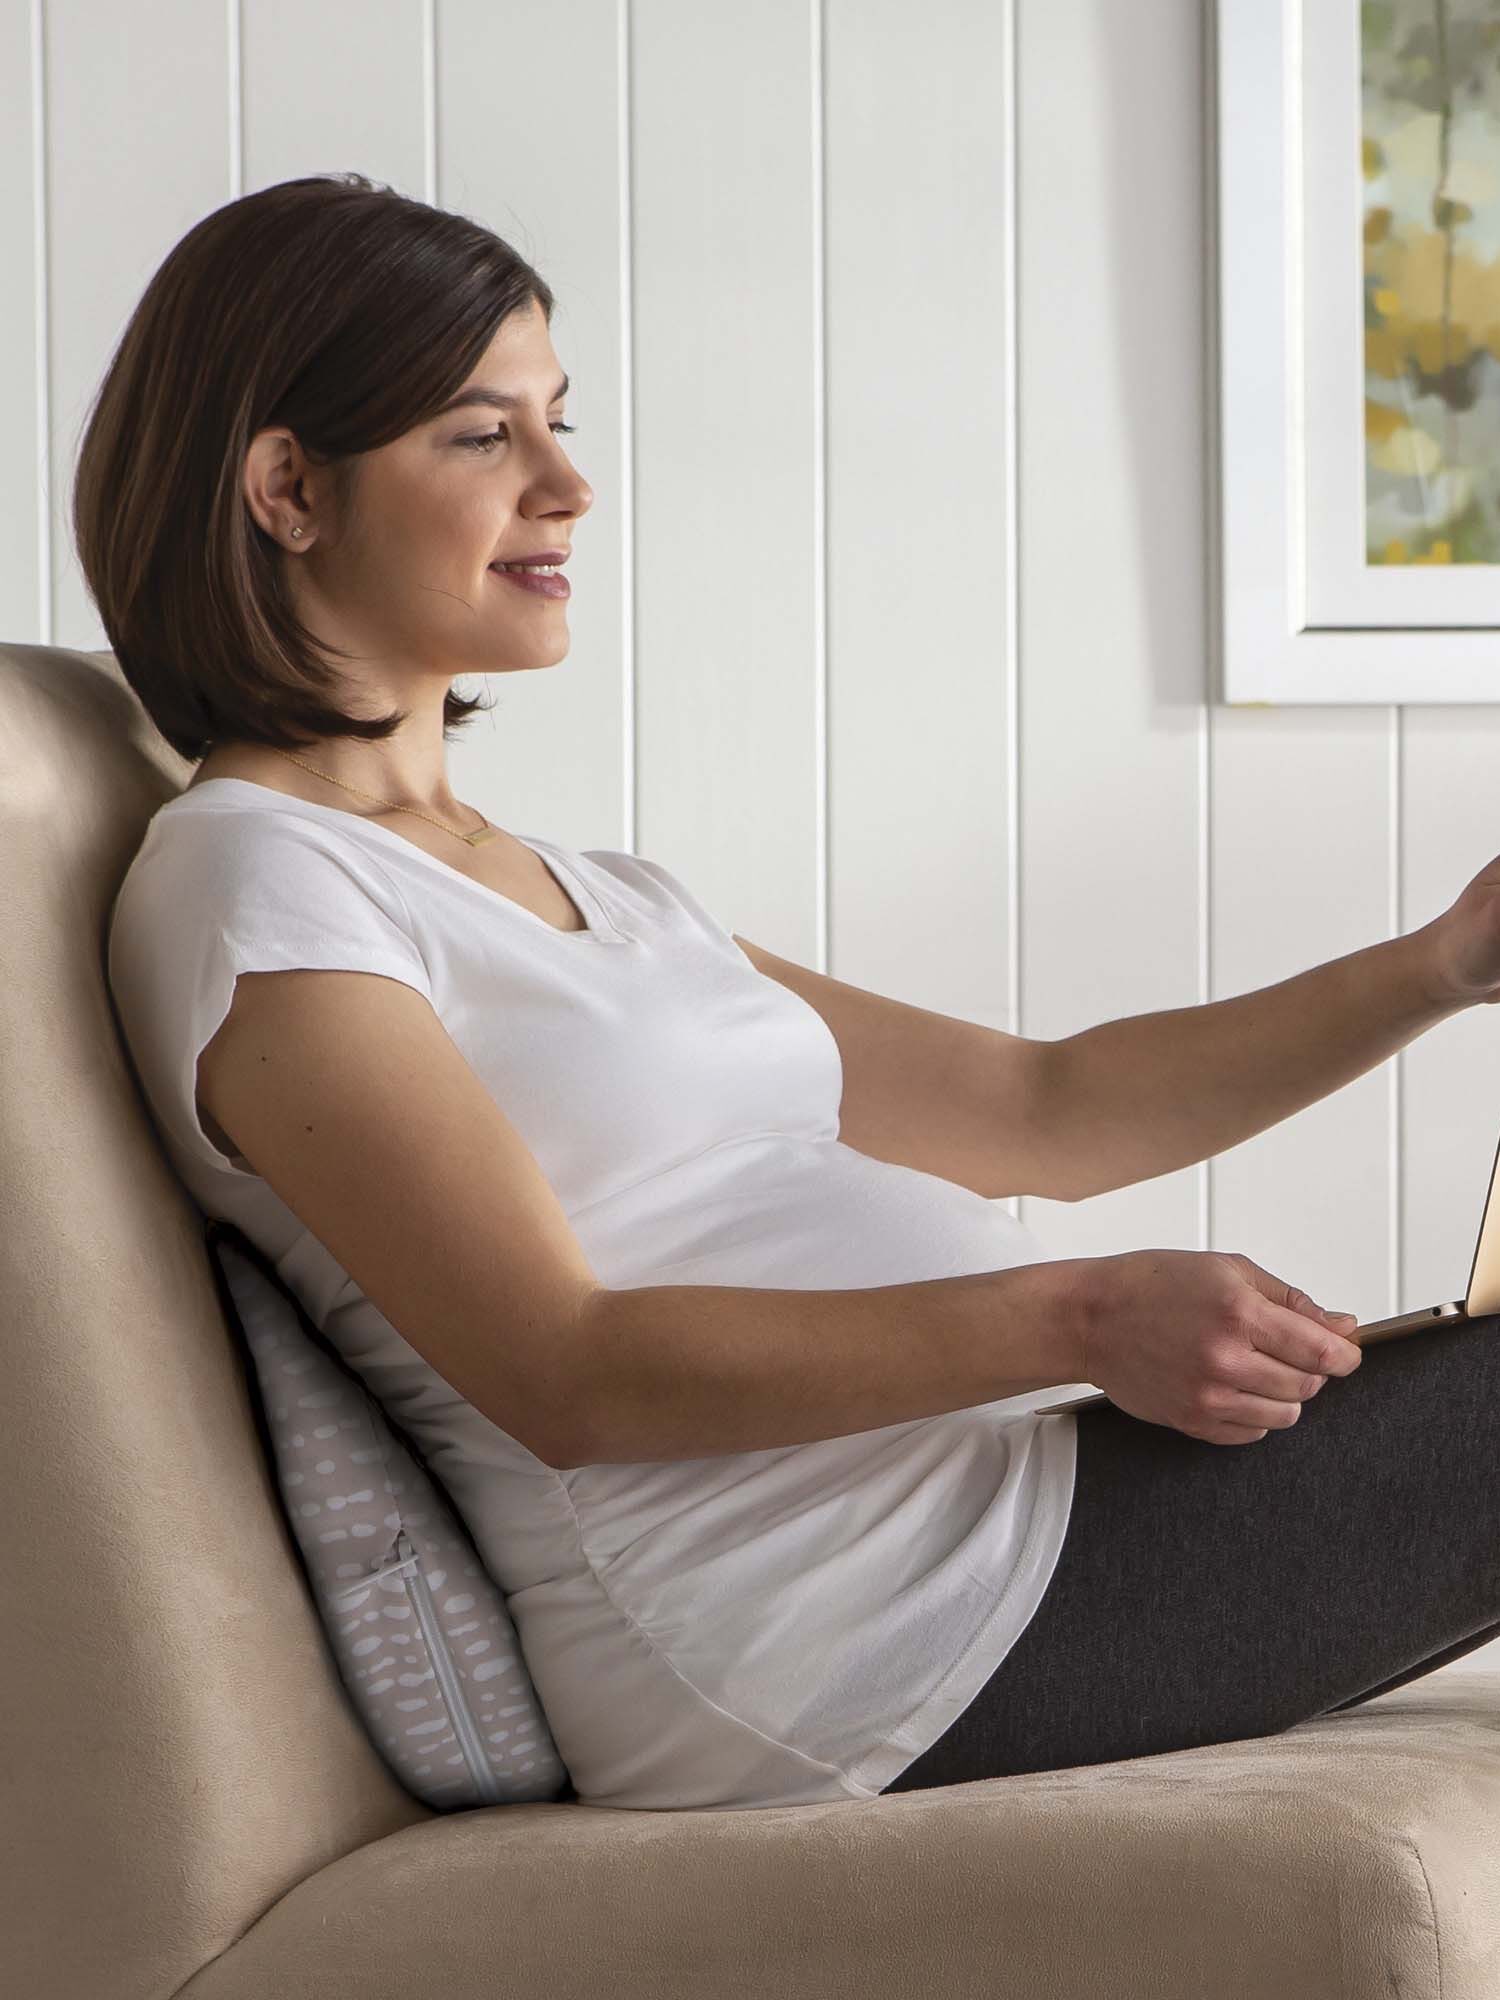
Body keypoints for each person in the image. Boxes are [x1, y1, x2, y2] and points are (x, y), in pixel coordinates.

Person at [92, 174, 1500, 1813]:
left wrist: (1443, 963)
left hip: (1002, 1511)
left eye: (558, 421)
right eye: (483, 438)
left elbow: (1047, 1111)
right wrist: (1082, 1315)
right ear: (286, 488)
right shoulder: (262, 892)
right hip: (843, 1640)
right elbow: (571, 1368)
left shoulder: (587, 886)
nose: (570, 483)